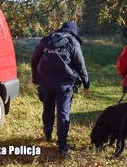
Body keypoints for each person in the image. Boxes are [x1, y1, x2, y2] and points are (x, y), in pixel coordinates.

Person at [31, 21, 90, 154]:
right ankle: (62, 145)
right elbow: (81, 66)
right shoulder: (73, 42)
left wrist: (35, 76)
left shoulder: (46, 41)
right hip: (64, 84)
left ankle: (48, 133)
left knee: (48, 108)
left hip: (45, 82)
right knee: (63, 114)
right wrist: (86, 84)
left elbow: (34, 59)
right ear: (73, 31)